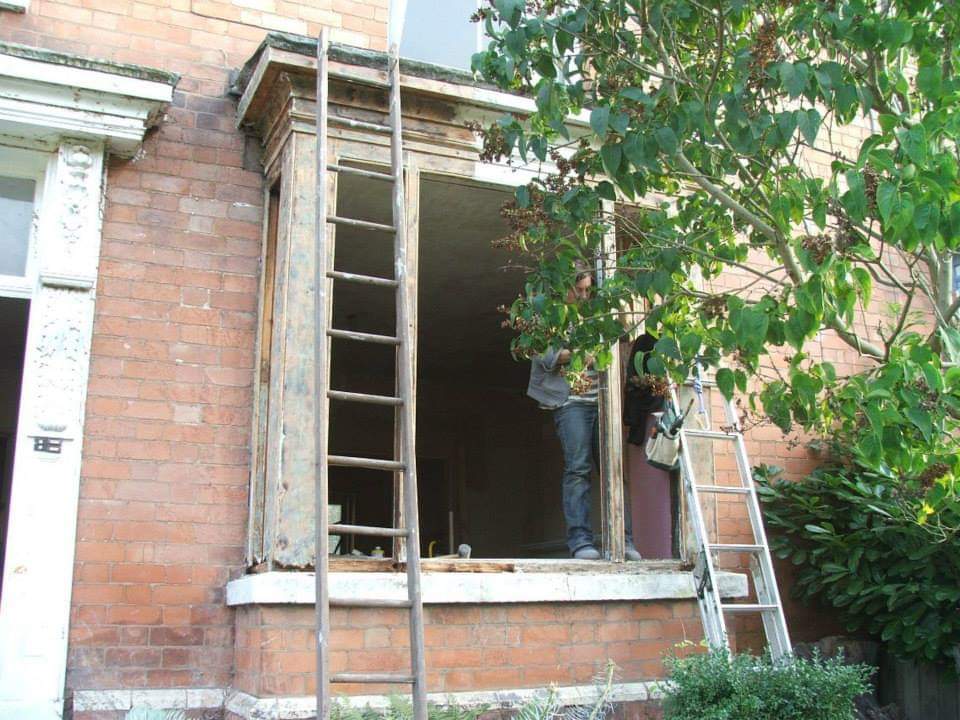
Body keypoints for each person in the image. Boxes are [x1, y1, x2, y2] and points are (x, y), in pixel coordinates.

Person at [526, 264, 642, 561]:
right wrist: (581, 353)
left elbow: (622, 339)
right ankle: (581, 543)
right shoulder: (548, 315)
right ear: (563, 288)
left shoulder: (597, 315)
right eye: (578, 290)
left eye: (588, 289)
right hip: (571, 403)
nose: (583, 295)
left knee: (613, 470)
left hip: (602, 401)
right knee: (577, 469)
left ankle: (623, 541)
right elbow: (545, 356)